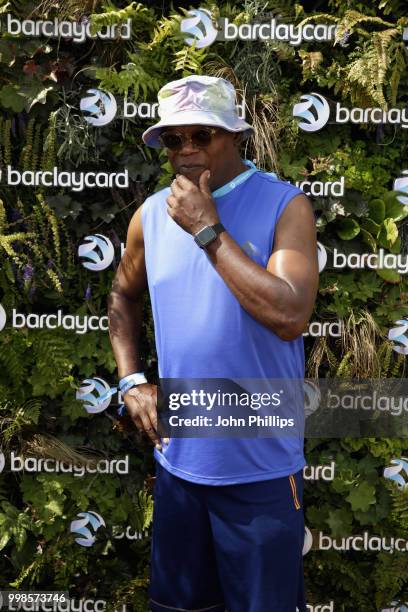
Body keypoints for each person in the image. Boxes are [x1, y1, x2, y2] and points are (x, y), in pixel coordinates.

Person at [107, 75, 319, 612]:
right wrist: (132, 379)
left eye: (200, 135)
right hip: (180, 469)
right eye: (172, 140)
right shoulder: (151, 216)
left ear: (235, 137)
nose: (185, 151)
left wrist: (208, 231)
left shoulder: (284, 206)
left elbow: (290, 315)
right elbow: (121, 298)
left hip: (261, 475)